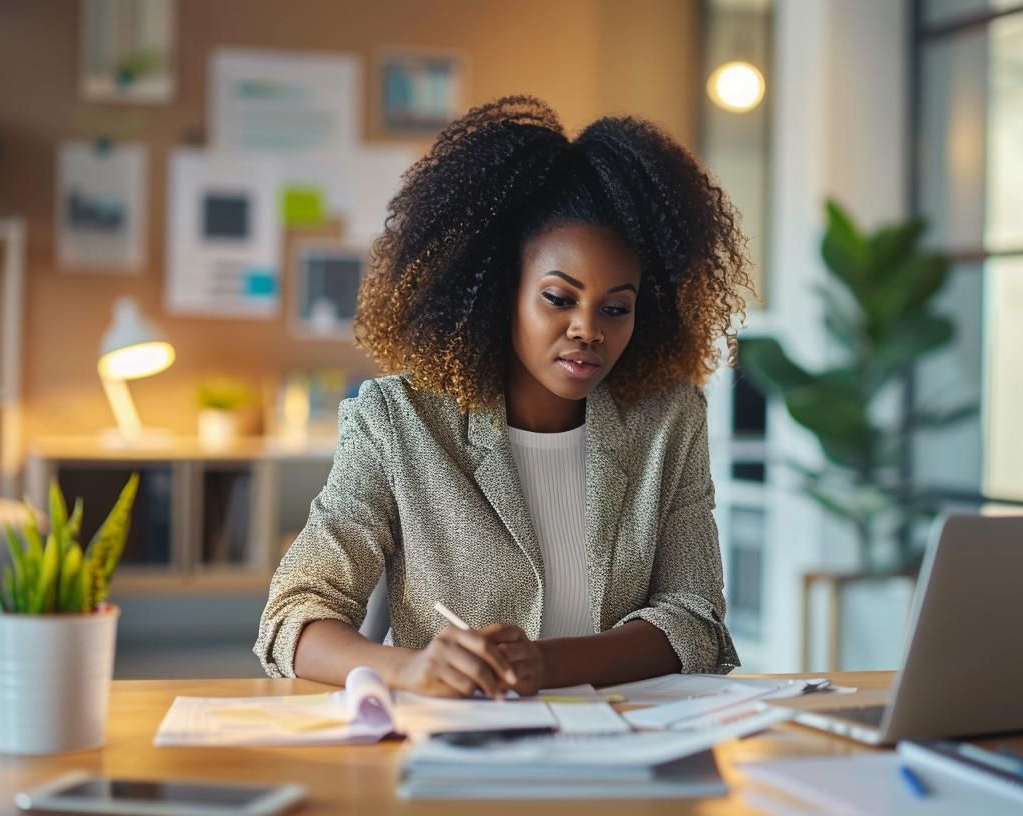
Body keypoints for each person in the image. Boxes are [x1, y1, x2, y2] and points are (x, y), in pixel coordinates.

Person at [255, 95, 753, 698]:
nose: (588, 329)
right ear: (500, 291)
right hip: (453, 755)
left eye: (616, 308)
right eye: (558, 298)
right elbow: (293, 615)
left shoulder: (667, 421)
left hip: (619, 754)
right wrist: (408, 669)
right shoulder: (398, 420)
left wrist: (549, 665)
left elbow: (697, 618)